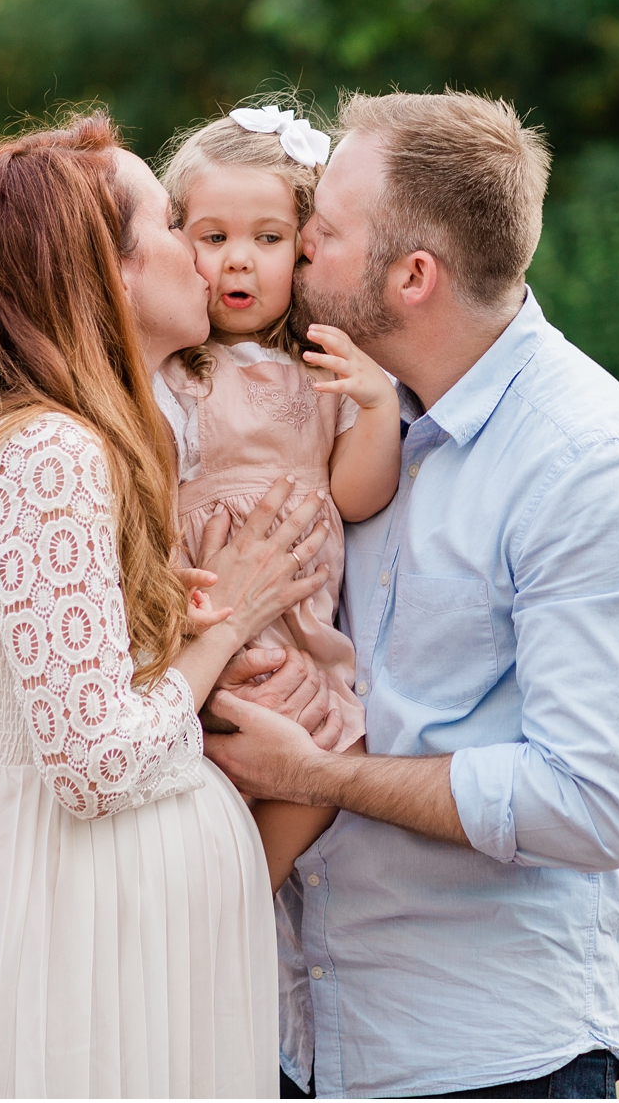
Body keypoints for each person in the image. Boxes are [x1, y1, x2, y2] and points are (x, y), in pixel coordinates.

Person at [203, 91, 619, 1099]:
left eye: (324, 233)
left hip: (483, 1060)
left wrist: (323, 776)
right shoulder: (343, 415)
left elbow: (588, 802)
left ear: (412, 276)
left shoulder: (592, 471)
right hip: (284, 1042)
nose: (294, 248)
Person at [0, 113, 338, 1098]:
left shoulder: (48, 445)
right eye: (168, 226)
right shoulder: (48, 453)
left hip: (76, 923)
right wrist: (228, 620)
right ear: (103, 275)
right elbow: (94, 758)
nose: (200, 257)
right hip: (64, 945)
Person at [157, 98, 404, 753]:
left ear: (302, 248)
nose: (240, 259)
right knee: (222, 752)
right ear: (177, 242)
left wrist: (378, 407)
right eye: (215, 239)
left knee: (332, 753)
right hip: (208, 605)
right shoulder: (173, 373)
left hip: (302, 615)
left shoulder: (324, 367)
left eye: (267, 238)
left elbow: (356, 495)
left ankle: (257, 865)